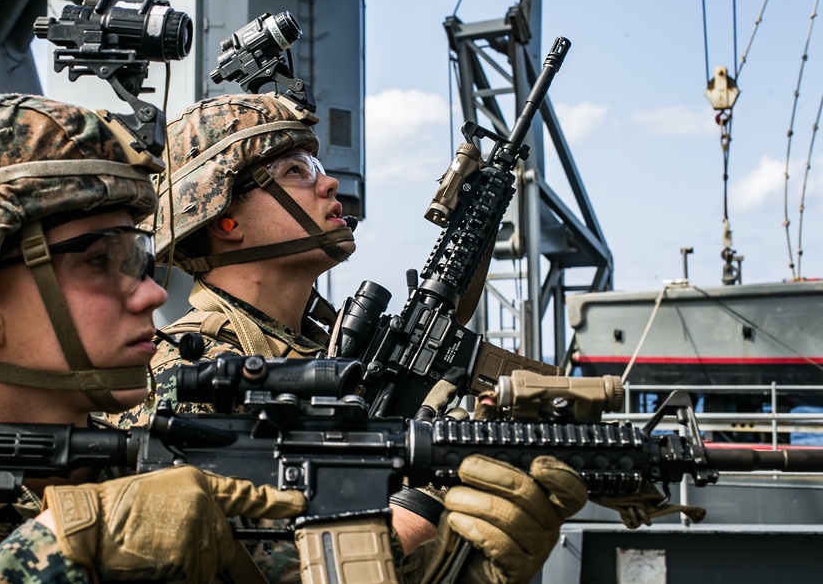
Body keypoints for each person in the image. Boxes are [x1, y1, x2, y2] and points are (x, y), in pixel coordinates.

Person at [111, 92, 588, 583]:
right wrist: (422, 506)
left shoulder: (320, 354)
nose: (329, 182)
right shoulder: (180, 378)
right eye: (296, 171)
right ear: (223, 219)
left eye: (316, 165)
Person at [0, 93, 306, 583]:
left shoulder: (169, 484)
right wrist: (62, 549)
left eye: (135, 259)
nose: (149, 295)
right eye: (99, 261)